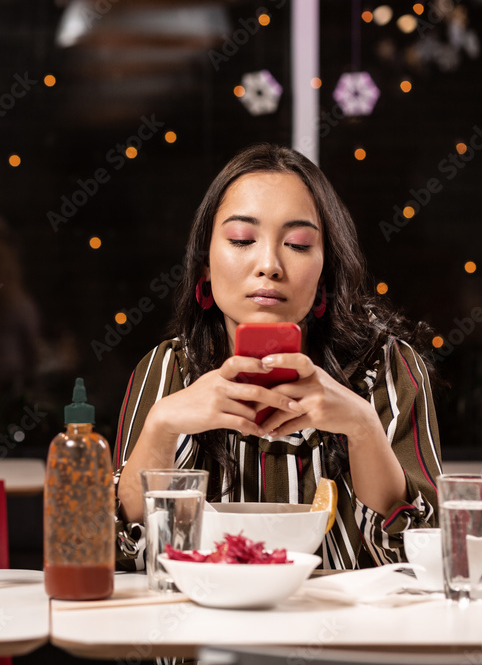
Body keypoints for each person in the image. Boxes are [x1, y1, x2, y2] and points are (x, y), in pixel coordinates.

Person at [114, 143, 441, 570]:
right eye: (241, 239)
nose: (269, 264)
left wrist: (362, 427)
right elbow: (122, 559)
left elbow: (427, 559)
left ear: (326, 267)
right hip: (205, 627)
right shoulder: (167, 369)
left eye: (298, 244)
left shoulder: (385, 366)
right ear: (204, 267)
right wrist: (162, 424)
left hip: (349, 632)